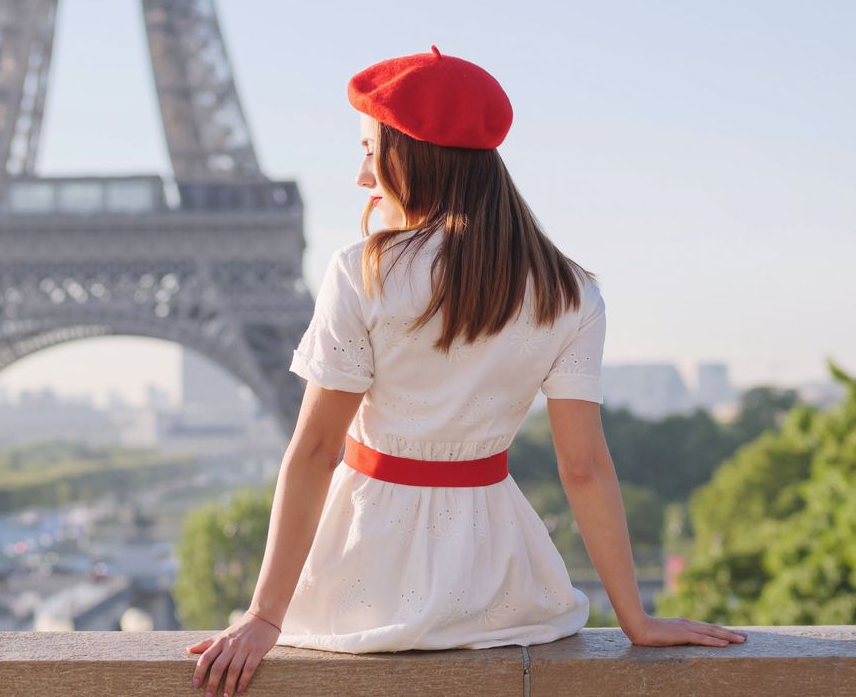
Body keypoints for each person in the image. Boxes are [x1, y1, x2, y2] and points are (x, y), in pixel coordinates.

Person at [185, 45, 748, 697]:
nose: (362, 177)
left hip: (366, 567)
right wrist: (635, 619)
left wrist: (262, 616)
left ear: (412, 155)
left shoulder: (362, 272)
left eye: (370, 150)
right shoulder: (570, 293)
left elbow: (314, 451)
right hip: (498, 580)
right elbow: (583, 468)